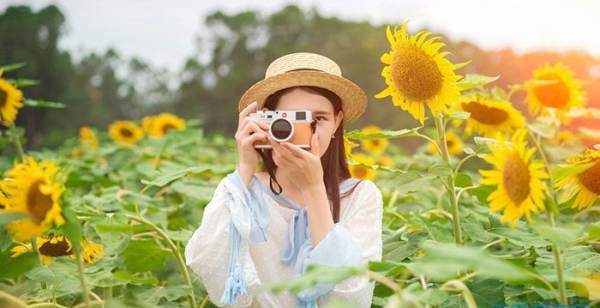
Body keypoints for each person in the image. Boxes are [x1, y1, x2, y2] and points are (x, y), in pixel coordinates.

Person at [184, 52, 383, 308]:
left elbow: (352, 296)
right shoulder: (241, 191)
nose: (306, 131)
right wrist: (245, 166)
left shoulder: (360, 195)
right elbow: (209, 265)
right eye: (292, 119)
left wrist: (314, 188)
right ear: (267, 119)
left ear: (337, 122)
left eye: (319, 119)